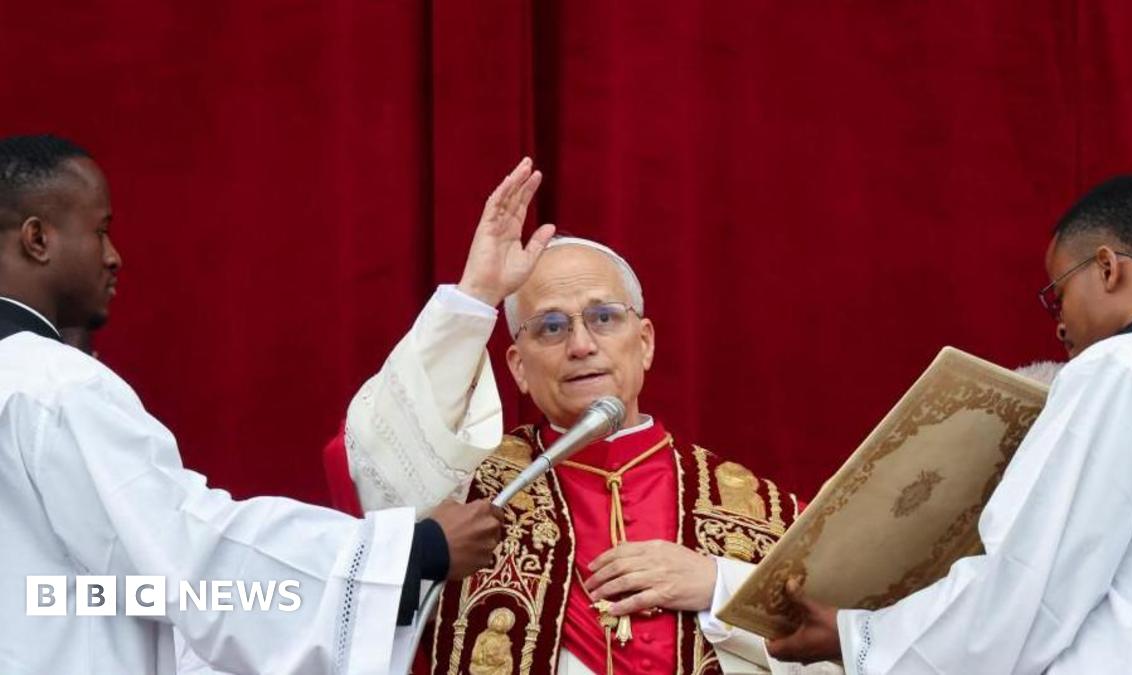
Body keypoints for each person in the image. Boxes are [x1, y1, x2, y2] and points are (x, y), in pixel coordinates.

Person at [0, 134, 501, 674]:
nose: (113, 256)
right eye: (100, 231)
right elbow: (189, 561)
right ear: (37, 239)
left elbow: (78, 590)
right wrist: (410, 553)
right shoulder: (51, 386)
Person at [326, 162, 839, 674]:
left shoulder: (760, 511)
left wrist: (719, 586)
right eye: (550, 326)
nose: (581, 345)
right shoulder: (467, 494)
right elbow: (374, 464)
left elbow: (846, 644)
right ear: (518, 367)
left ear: (645, 344)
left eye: (604, 317)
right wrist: (476, 294)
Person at [765, 174, 1132, 674]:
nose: (1059, 324)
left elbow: (1026, 589)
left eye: (1058, 296)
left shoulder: (1118, 371)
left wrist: (857, 635)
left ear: (1106, 268)